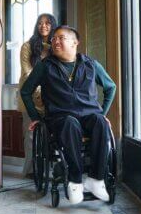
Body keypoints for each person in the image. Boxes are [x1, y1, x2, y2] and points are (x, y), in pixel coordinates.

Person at [20, 25, 116, 204]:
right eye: (54, 38)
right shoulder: (45, 67)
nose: (55, 41)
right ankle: (75, 181)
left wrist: (102, 113)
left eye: (61, 38)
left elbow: (111, 87)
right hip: (60, 118)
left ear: (75, 42)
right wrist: (35, 117)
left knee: (100, 122)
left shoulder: (91, 65)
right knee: (70, 123)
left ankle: (96, 180)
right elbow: (26, 91)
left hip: (89, 116)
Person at [17, 13, 58, 176]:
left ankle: (47, 169)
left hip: (50, 99)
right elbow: (27, 73)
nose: (43, 26)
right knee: (31, 134)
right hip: (30, 97)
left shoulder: (57, 46)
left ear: (53, 25)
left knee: (49, 135)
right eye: (40, 23)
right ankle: (30, 170)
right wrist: (40, 90)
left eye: (47, 23)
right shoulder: (27, 46)